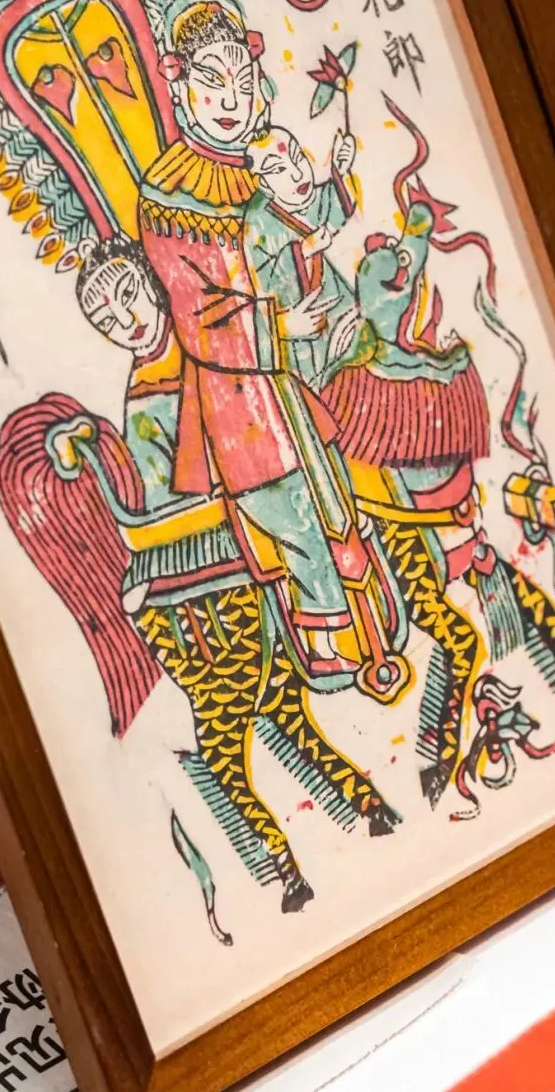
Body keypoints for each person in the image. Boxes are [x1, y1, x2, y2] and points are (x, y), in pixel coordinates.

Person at [74, 236, 400, 913]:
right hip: (222, 544)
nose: (126, 320)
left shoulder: (207, 341)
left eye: (128, 295)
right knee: (261, 722)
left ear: (151, 282)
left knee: (256, 726)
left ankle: (350, 791)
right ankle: (312, 842)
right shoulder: (145, 399)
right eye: (107, 319)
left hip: (269, 498)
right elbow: (167, 498)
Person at [137, 0, 410, 704]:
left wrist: (332, 186)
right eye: (210, 82)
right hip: (241, 404)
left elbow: (300, 236)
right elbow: (197, 315)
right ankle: (333, 649)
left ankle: (377, 626)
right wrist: (280, 327)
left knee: (341, 502)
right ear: (180, 87)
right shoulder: (167, 196)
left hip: (297, 378)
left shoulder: (256, 167)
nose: (229, 100)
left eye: (240, 80)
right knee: (297, 525)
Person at [244, 125, 361, 387]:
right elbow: (263, 279)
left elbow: (332, 208)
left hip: (337, 310)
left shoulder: (303, 198)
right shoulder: (258, 223)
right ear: (263, 183)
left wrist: (340, 171)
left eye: (298, 157)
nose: (297, 173)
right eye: (278, 169)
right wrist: (303, 251)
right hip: (301, 333)